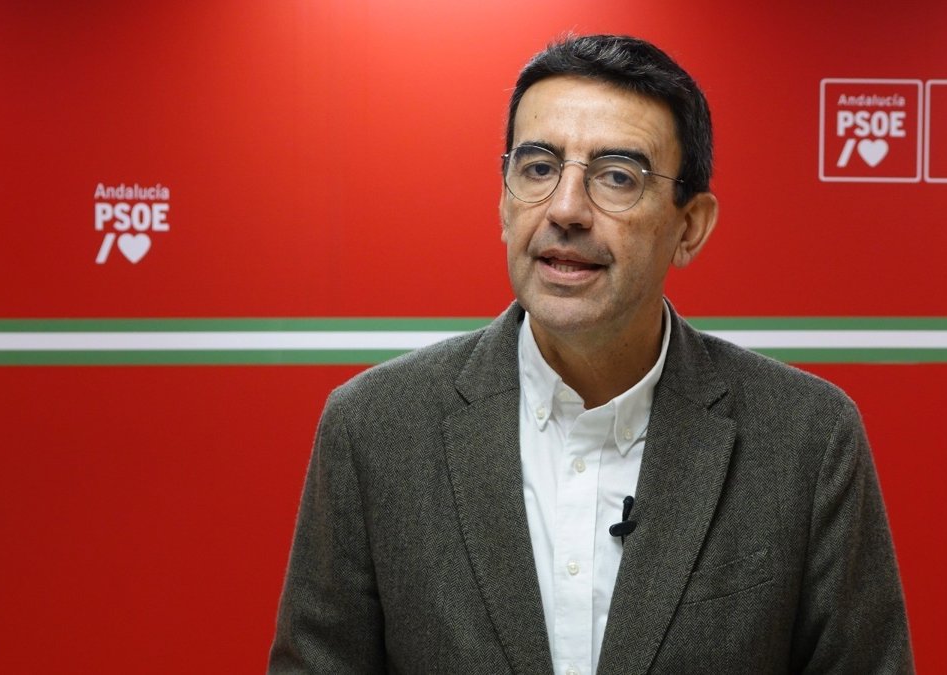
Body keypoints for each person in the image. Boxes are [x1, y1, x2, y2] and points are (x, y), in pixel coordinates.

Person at [270, 34, 913, 674]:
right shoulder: (375, 427)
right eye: (539, 168)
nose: (566, 210)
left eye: (616, 177)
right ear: (503, 201)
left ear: (689, 227)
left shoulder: (806, 437)